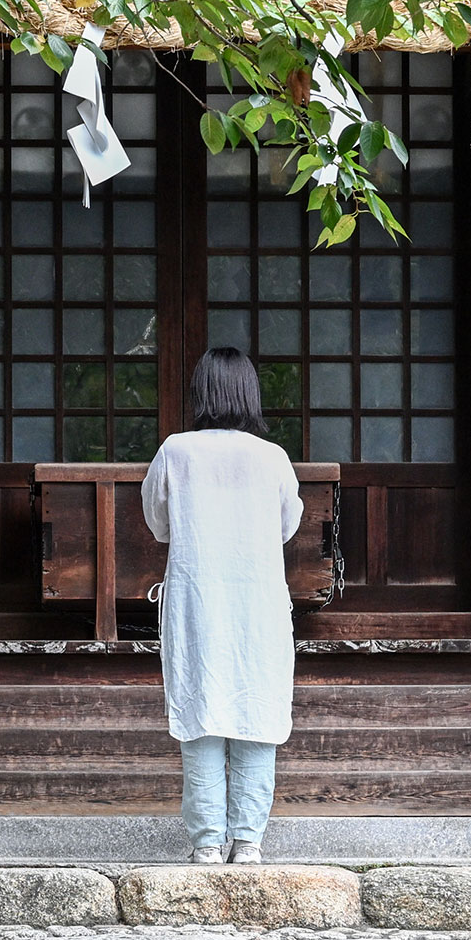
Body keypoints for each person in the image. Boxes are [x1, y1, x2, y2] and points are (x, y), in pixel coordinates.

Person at [142, 347, 305, 865]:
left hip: (197, 597)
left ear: (201, 393)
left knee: (199, 710)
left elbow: (158, 523)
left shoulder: (176, 450)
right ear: (249, 393)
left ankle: (207, 844)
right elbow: (287, 526)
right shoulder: (272, 457)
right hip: (257, 602)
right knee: (257, 714)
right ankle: (249, 842)